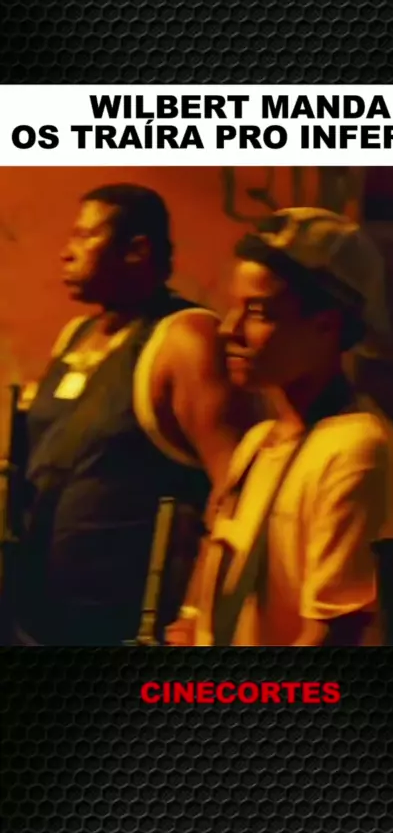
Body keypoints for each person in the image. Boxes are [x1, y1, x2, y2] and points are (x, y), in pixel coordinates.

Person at [8, 183, 260, 646]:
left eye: (86, 236)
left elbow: (238, 491)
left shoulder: (185, 340)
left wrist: (194, 614)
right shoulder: (77, 335)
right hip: (40, 626)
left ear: (136, 251)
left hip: (125, 635)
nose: (67, 252)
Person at [167, 207, 393, 646]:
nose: (229, 330)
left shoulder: (358, 453)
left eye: (258, 312)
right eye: (233, 307)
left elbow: (336, 640)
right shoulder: (259, 442)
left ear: (327, 325)